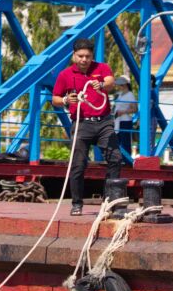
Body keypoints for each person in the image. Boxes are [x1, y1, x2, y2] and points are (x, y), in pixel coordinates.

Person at [50, 37, 123, 216]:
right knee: (78, 165)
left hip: (104, 122)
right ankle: (76, 204)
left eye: (88, 56)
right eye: (80, 56)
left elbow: (111, 82)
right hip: (81, 123)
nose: (84, 60)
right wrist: (66, 100)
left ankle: (109, 201)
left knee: (115, 158)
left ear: (92, 56)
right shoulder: (65, 75)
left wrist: (102, 85)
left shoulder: (101, 68)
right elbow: (55, 99)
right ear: (74, 55)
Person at [112, 75, 137, 153]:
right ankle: (120, 159)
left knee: (125, 143)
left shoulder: (130, 95)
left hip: (125, 121)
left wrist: (123, 112)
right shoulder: (120, 94)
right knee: (118, 142)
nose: (119, 86)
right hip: (118, 121)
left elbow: (135, 109)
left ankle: (126, 161)